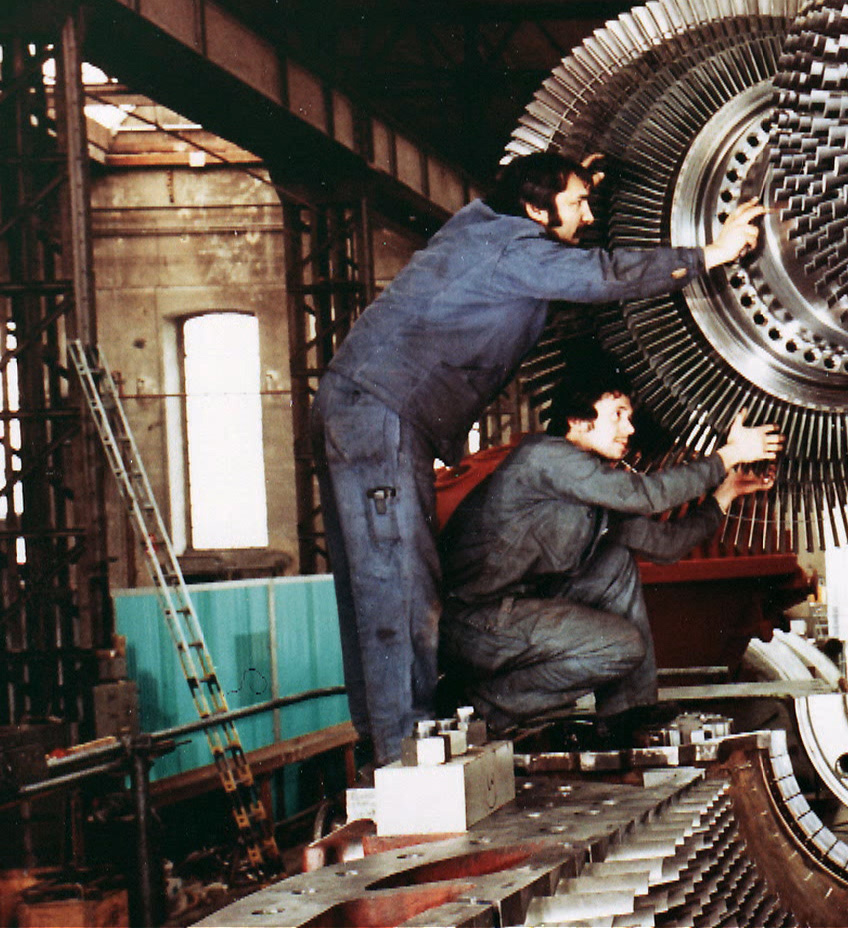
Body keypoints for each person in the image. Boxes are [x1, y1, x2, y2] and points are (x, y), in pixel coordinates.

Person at [315, 150, 767, 766]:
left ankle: (619, 720)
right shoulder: (515, 249)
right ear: (533, 208)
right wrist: (709, 255)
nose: (588, 216)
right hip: (381, 412)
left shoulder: (484, 226)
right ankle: (405, 761)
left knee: (375, 583)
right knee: (397, 583)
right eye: (578, 203)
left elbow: (655, 540)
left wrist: (570, 178)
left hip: (365, 407)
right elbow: (601, 274)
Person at [437, 368, 780, 735]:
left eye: (629, 417)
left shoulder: (592, 486)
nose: (629, 429)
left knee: (614, 562)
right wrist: (729, 455)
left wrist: (725, 494)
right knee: (620, 648)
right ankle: (476, 706)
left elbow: (665, 546)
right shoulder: (543, 457)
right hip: (472, 623)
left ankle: (627, 710)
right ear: (577, 420)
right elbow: (647, 495)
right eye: (617, 414)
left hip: (511, 611)